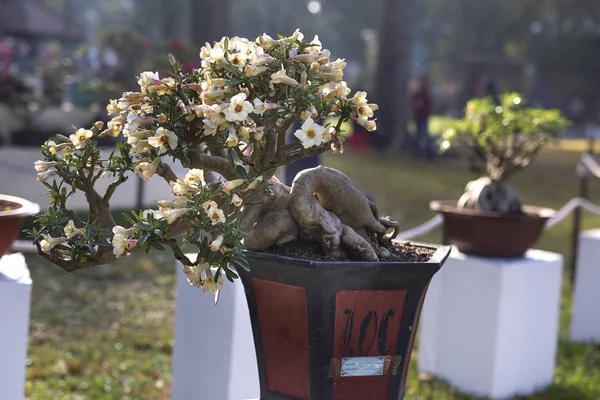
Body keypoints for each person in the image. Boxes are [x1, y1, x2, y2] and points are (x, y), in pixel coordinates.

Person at [411, 77, 434, 159]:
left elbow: (428, 106)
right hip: (417, 117)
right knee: (418, 134)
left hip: (423, 118)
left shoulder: (425, 96)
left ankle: (425, 153)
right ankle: (417, 153)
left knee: (423, 135)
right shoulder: (417, 95)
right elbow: (413, 104)